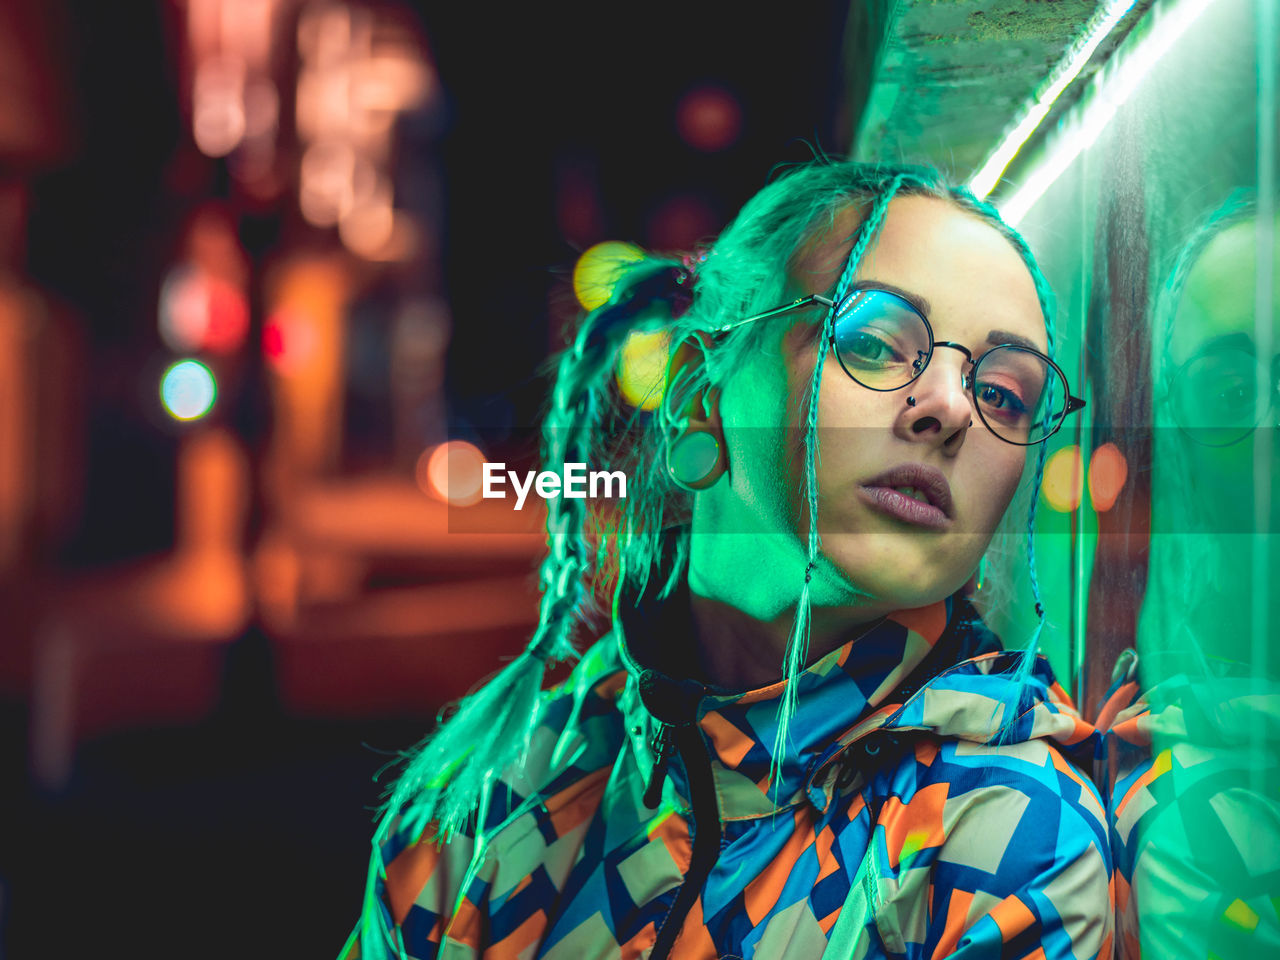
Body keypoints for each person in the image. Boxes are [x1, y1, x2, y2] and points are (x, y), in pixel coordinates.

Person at [341, 160, 1113, 960]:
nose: (951, 408)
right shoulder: (497, 793)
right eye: (877, 342)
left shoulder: (1008, 840)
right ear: (697, 397)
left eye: (1003, 395)